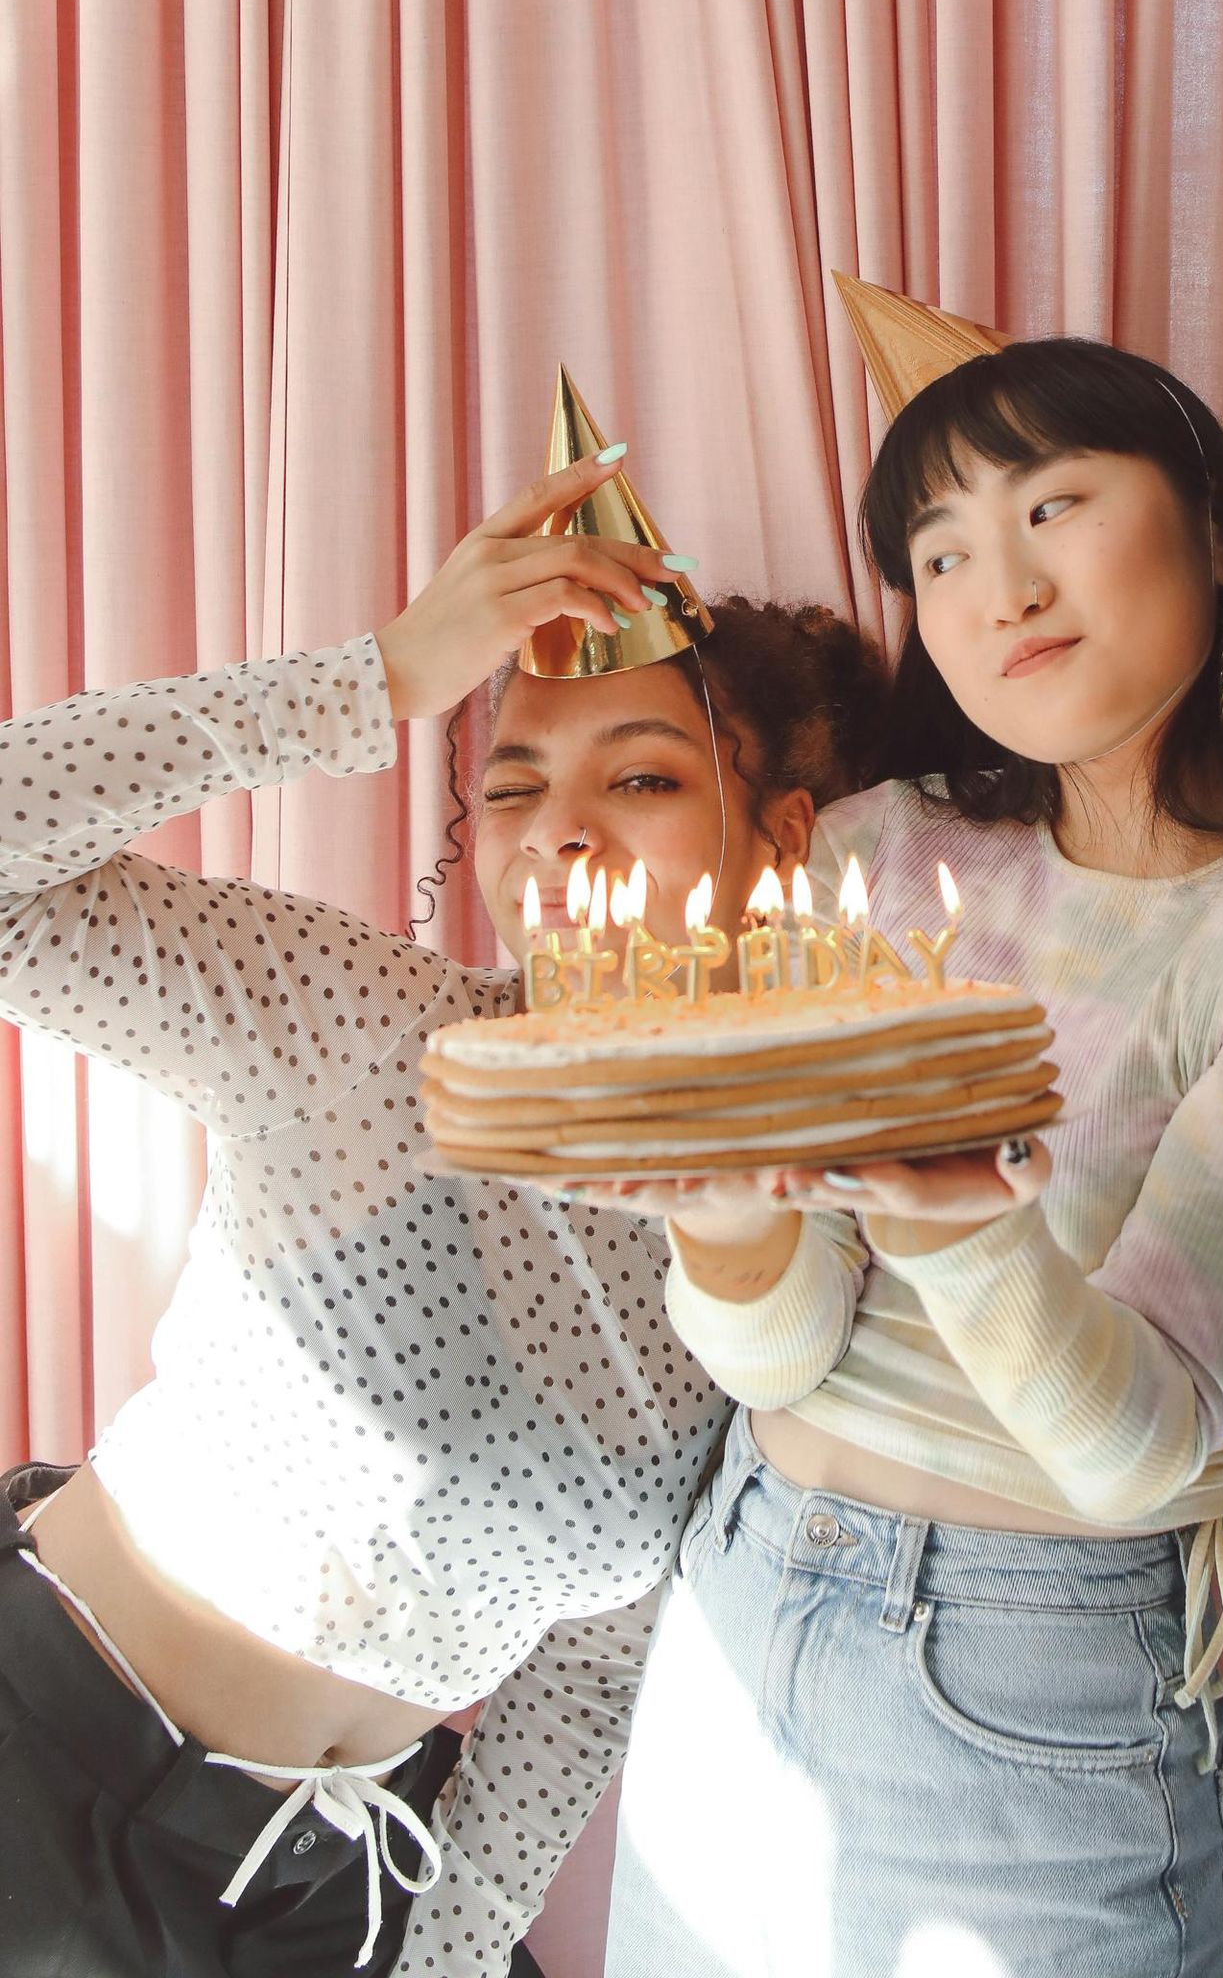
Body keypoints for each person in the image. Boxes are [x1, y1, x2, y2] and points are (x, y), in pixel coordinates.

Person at [500, 331, 1223, 1978]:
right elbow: (782, 1353)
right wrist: (721, 1220)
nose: (1001, 587)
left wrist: (953, 1219)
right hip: (745, 1589)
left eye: (1055, 506)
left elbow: (1137, 1450)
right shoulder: (887, 851)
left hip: (1034, 1678)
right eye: (939, 553)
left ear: (1215, 526)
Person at [0, 446, 881, 1977]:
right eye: (515, 785)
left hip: (344, 1892)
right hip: (37, 1768)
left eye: (646, 775)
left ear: (784, 840)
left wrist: (451, 1950)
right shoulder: (362, 1024)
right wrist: (376, 679)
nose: (558, 833)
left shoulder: (795, 1225)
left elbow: (594, 1669)